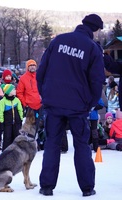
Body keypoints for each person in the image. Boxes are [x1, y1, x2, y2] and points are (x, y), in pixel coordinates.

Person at [36, 14, 105, 197]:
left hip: (53, 103)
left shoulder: (59, 40)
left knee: (51, 144)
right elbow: (97, 81)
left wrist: (45, 93)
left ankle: (47, 187)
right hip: (78, 106)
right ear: (95, 30)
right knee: (82, 145)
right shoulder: (92, 48)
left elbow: (41, 70)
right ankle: (87, 188)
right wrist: (89, 103)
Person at [0, 84, 23, 150]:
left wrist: (21, 119)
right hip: (7, 123)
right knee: (7, 137)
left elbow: (20, 110)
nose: (15, 90)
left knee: (17, 136)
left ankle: (17, 150)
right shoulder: (2, 101)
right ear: (9, 91)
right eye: (13, 89)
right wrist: (1, 121)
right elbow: (0, 112)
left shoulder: (16, 100)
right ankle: (6, 151)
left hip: (16, 122)